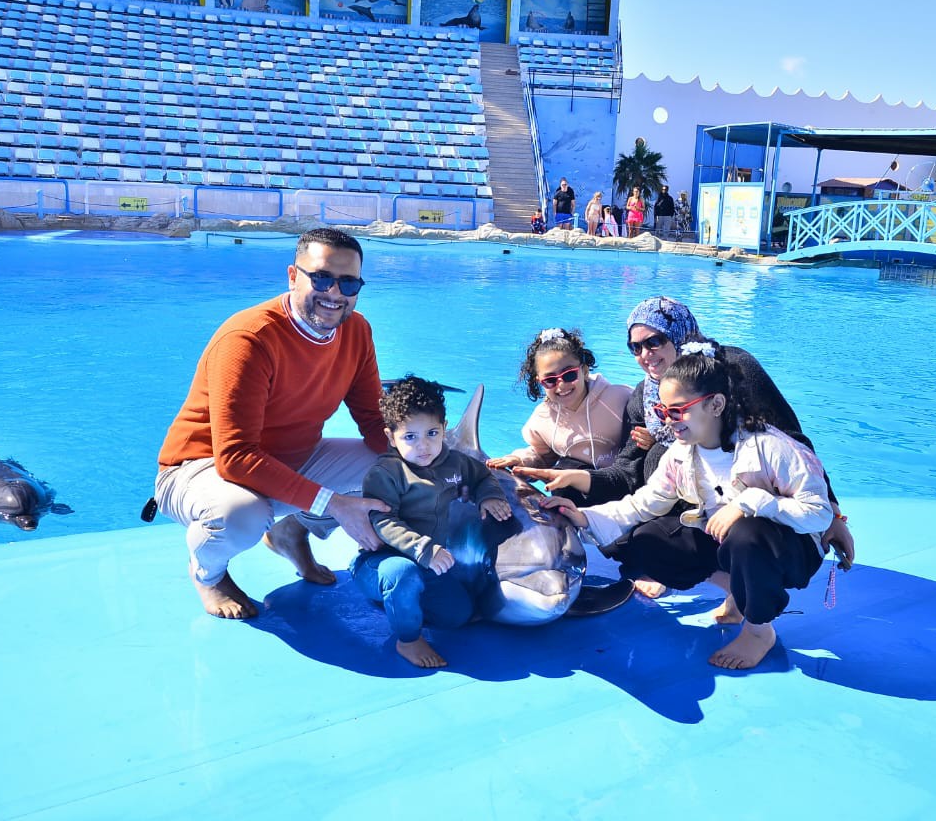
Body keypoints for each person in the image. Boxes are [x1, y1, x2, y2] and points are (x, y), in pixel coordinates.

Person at [514, 296, 854, 596]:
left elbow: (794, 443)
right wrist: (579, 491)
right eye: (635, 347)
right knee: (640, 534)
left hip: (762, 508)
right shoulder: (644, 397)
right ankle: (728, 583)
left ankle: (755, 615)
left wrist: (833, 513)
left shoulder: (732, 369)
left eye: (654, 341)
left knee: (745, 536)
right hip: (697, 504)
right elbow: (629, 473)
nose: (645, 355)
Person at [545, 343, 834, 670]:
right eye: (662, 412)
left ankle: (758, 630)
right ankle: (738, 591)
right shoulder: (681, 454)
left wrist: (752, 502)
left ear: (716, 404)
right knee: (646, 541)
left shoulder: (769, 446)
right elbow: (643, 504)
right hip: (729, 544)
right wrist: (583, 517)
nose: (669, 422)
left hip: (789, 549)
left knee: (746, 534)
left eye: (678, 411)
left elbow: (819, 514)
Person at [155, 227, 390, 620]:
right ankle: (208, 573)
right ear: (293, 276)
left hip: (292, 460)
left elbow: (373, 420)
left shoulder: (356, 331)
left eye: (349, 283)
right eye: (322, 278)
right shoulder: (249, 339)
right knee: (241, 516)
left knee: (397, 464)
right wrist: (334, 504)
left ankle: (289, 531)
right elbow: (235, 457)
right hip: (201, 468)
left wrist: (441, 460)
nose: (335, 293)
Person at [355, 377, 513, 667]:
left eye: (431, 433)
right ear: (391, 437)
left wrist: (488, 496)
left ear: (444, 428)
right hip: (382, 561)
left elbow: (482, 476)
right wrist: (424, 549)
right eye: (410, 437)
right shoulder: (386, 472)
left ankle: (403, 601)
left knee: (458, 616)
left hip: (428, 565)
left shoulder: (454, 463)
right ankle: (408, 640)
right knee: (402, 575)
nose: (423, 446)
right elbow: (383, 521)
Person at [486, 328, 632, 505]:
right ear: (539, 382)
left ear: (584, 370)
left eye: (569, 375)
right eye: (550, 380)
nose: (561, 385)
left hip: (623, 485)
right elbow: (542, 456)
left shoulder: (619, 398)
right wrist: (520, 460)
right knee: (563, 472)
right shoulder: (543, 418)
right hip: (580, 494)